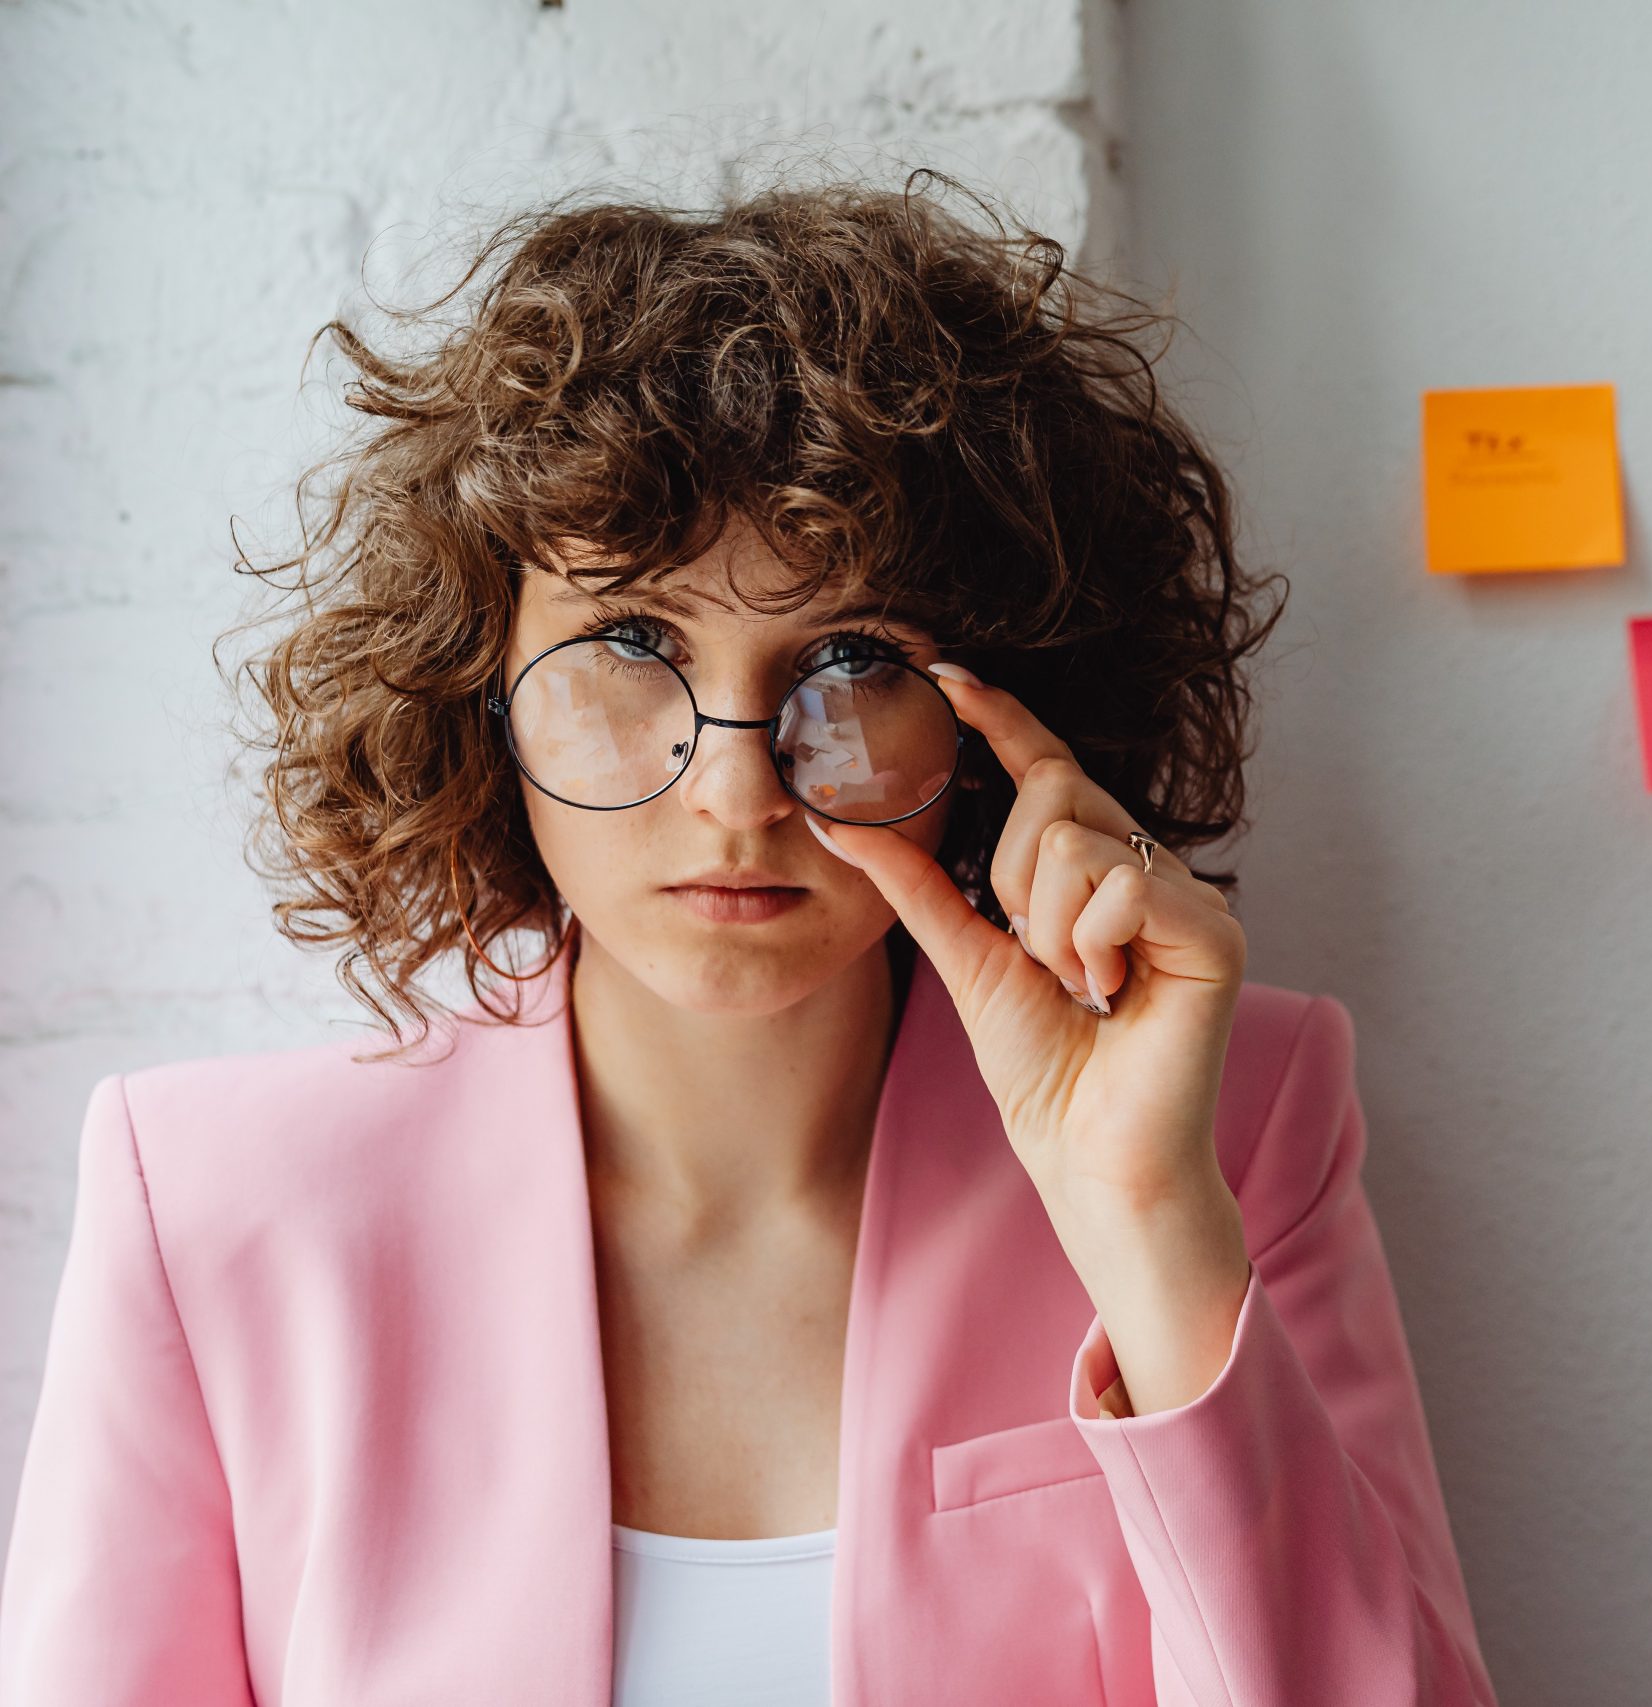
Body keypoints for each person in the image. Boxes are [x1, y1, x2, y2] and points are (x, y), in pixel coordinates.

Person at [0, 170, 1501, 1706]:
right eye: (630, 649)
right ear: (475, 680)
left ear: (993, 716)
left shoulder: (1238, 1127)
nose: (735, 791)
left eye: (850, 664)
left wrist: (1149, 1225)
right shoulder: (208, 1209)